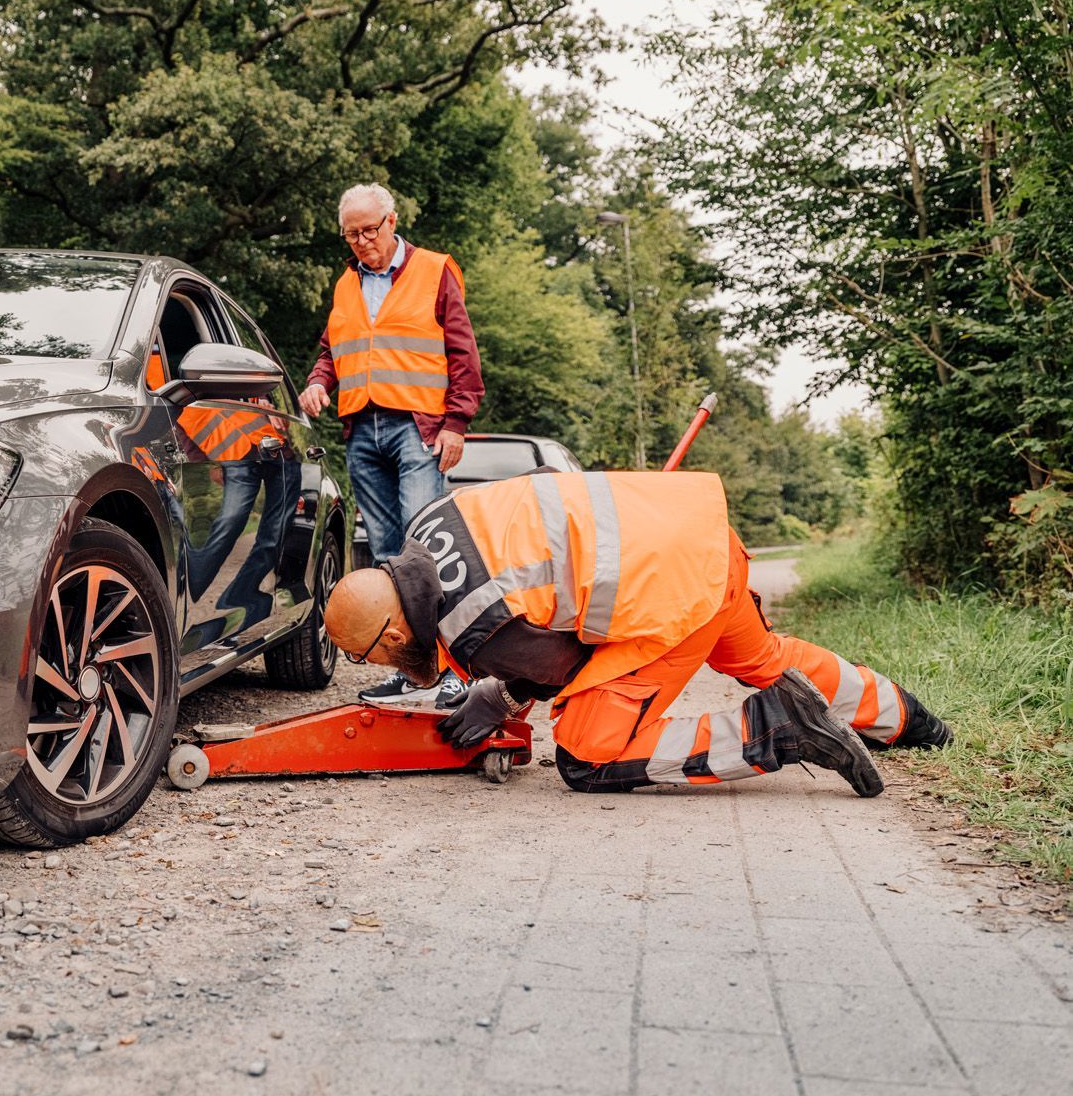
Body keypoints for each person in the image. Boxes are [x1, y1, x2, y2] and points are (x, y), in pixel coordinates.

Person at [322, 469, 952, 796]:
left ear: (393, 634)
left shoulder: (471, 624)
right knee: (764, 657)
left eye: (366, 654)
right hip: (702, 540)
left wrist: (504, 692)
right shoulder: (430, 520)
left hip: (676, 593)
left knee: (588, 751)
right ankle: (909, 719)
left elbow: (567, 669)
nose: (379, 665)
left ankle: (779, 728)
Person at [299, 182, 482, 707]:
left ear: (392, 222)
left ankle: (456, 671)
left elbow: (462, 352)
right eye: (351, 234)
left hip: (418, 428)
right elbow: (332, 350)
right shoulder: (346, 285)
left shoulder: (434, 270)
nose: (362, 242)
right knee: (387, 555)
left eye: (369, 230)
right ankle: (414, 674)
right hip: (362, 430)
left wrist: (456, 423)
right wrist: (318, 382)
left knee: (425, 551)